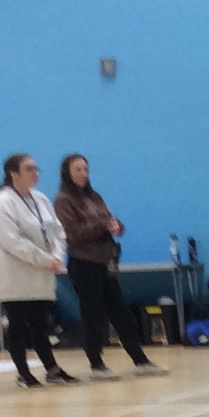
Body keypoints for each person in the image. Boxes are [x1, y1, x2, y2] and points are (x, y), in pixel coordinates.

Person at [52, 154, 167, 379]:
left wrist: (117, 226)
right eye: (78, 170)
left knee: (121, 311)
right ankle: (96, 364)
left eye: (86, 169)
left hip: (106, 262)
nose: (84, 174)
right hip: (84, 264)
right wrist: (102, 225)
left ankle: (140, 360)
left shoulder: (94, 196)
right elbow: (73, 233)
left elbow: (109, 219)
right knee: (92, 315)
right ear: (67, 173)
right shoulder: (63, 200)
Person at [0, 154, 77, 389]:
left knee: (40, 322)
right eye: (29, 168)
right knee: (17, 322)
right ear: (14, 174)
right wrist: (45, 259)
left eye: (36, 168)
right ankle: (23, 373)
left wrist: (57, 256)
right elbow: (12, 241)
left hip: (40, 270)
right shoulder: (3, 202)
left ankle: (52, 369)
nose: (35, 172)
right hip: (13, 271)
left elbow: (57, 231)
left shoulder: (40, 199)